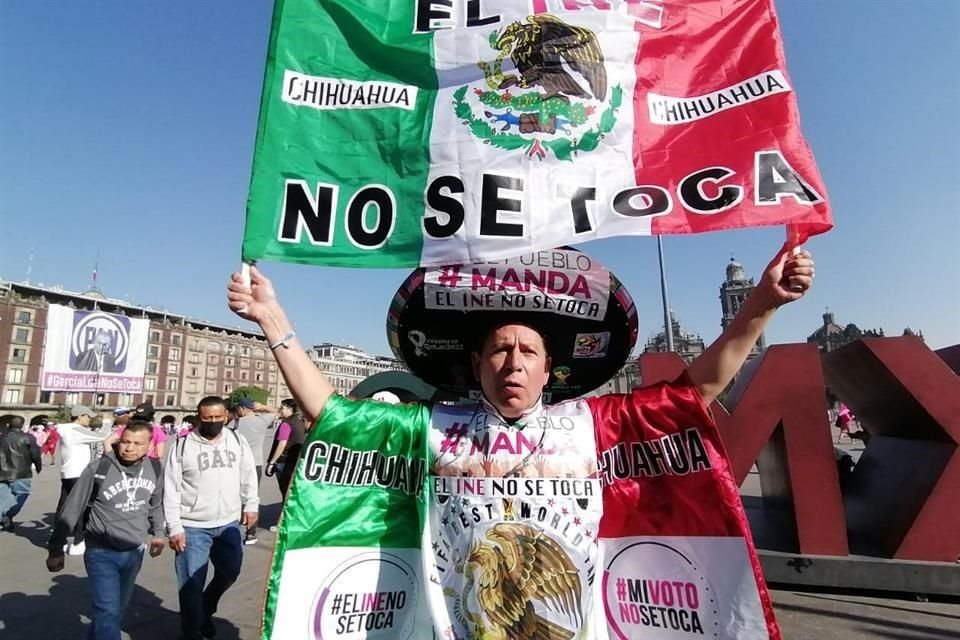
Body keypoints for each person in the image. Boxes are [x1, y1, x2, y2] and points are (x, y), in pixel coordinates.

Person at [228, 244, 815, 639]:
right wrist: (273, 320)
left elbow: (698, 389)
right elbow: (329, 411)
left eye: (527, 350)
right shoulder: (431, 427)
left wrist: (762, 303)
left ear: (548, 368)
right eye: (500, 350)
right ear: (478, 364)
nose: (513, 362)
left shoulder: (592, 423)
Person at [46, 420, 165, 640]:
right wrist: (56, 548)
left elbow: (156, 505)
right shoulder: (98, 468)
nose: (129, 448)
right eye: (125, 442)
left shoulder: (155, 468)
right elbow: (72, 509)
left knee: (114, 612)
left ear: (149, 446)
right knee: (107, 611)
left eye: (138, 443)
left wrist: (158, 534)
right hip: (101, 551)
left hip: (134, 549)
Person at [163, 396, 259, 640]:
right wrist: (174, 526)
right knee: (190, 585)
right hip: (192, 526)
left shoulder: (237, 440)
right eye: (207, 418)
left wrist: (251, 505)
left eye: (218, 417)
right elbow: (171, 488)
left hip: (229, 522)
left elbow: (248, 475)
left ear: (226, 416)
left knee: (230, 571)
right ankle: (191, 630)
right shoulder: (183, 446)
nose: (214, 422)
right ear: (198, 417)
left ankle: (206, 608)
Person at [56, 405, 111, 555]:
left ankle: (57, 541)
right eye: (87, 416)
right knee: (81, 508)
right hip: (79, 473)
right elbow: (102, 437)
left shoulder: (66, 429)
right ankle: (78, 542)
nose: (89, 419)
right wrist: (107, 422)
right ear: (79, 416)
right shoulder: (75, 430)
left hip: (68, 472)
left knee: (63, 507)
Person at [229, 397, 273, 545]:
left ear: (242, 408)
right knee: (252, 497)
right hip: (256, 464)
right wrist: (262, 407)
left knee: (234, 495)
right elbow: (277, 412)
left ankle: (233, 527)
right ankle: (251, 533)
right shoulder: (262, 421)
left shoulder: (234, 423)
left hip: (237, 464)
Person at [0, 414, 42, 531]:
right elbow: (35, 454)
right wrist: (38, 466)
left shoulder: (2, 437)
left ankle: (3, 517)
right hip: (21, 471)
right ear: (22, 425)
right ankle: (8, 515)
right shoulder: (29, 438)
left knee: (1, 496)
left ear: (9, 425)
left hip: (2, 471)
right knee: (22, 494)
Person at [264, 399, 306, 502]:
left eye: (282, 408)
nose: (280, 410)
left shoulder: (286, 424)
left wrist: (272, 462)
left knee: (285, 491)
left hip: (284, 461)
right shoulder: (300, 422)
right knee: (293, 493)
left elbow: (282, 443)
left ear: (290, 409)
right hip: (296, 460)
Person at [103, 407, 168, 461]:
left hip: (124, 463)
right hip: (147, 465)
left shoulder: (127, 428)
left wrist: (111, 459)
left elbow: (107, 442)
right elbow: (159, 454)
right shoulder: (157, 431)